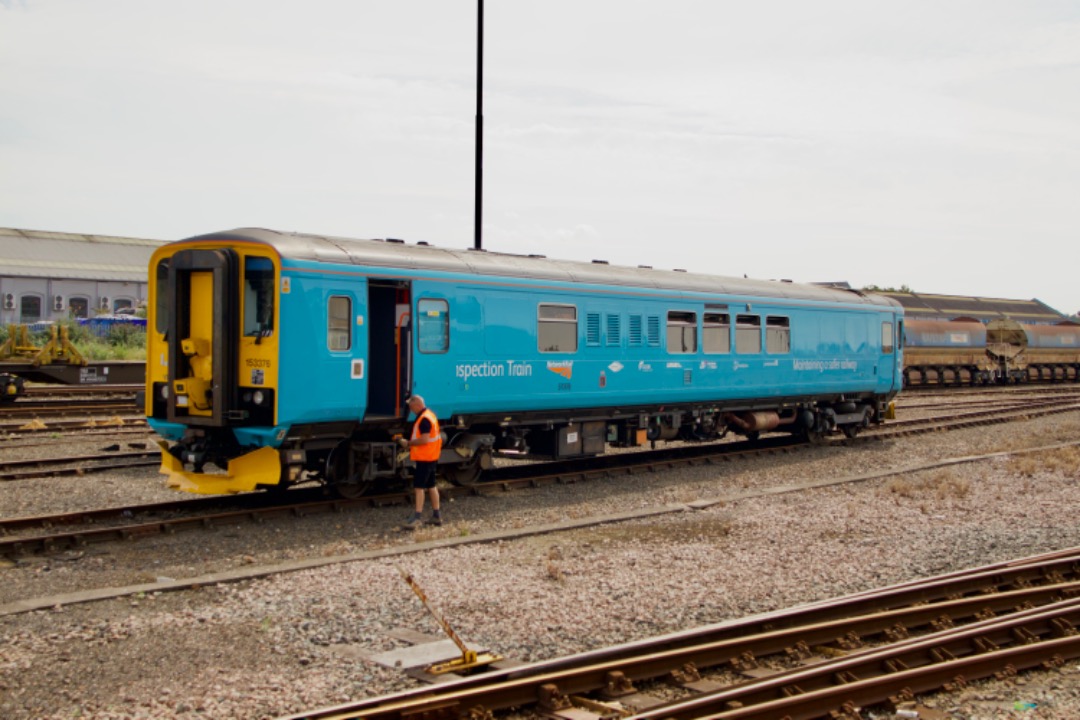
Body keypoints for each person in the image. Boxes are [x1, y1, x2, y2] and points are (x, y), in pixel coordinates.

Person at [398, 394, 443, 527]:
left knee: (419, 487)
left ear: (417, 405)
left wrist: (408, 443)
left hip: (425, 458)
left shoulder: (424, 419)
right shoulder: (430, 415)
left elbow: (424, 439)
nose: (411, 410)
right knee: (431, 486)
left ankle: (417, 518)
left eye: (411, 407)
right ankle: (436, 515)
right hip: (431, 456)